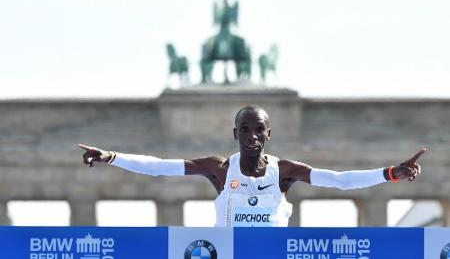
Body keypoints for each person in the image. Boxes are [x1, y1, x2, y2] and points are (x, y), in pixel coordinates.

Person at [79, 105, 425, 227]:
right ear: (235, 133)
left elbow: (339, 181)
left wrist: (391, 173)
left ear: (268, 134)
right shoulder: (218, 168)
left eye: (259, 129)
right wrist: (112, 157)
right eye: (245, 129)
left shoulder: (285, 171)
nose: (252, 136)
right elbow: (160, 168)